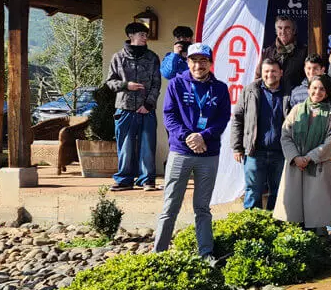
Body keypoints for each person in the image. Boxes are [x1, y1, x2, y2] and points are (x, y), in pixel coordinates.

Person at [155, 44, 231, 259]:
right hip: (181, 152)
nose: (199, 65)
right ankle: (158, 254)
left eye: (203, 60)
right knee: (170, 207)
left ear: (210, 63)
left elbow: (222, 119)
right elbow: (169, 116)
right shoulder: (176, 84)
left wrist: (203, 136)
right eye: (194, 60)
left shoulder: (220, 88)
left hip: (208, 154)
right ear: (188, 62)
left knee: (202, 208)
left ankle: (206, 254)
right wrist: (188, 136)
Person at [275, 74, 331, 250]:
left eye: (322, 88)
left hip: (319, 167)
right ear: (308, 89)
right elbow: (285, 135)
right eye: (314, 88)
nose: (317, 92)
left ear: (327, 91)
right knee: (298, 209)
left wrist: (309, 158)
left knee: (329, 208)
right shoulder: (297, 110)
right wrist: (295, 157)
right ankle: (305, 247)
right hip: (296, 167)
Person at [106, 21, 162, 192]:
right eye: (141, 34)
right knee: (125, 146)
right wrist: (126, 85)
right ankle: (124, 180)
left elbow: (156, 84)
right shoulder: (118, 57)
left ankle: (147, 181)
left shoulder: (152, 57)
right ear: (131, 36)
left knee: (147, 146)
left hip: (147, 109)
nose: (145, 37)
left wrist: (148, 104)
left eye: (145, 35)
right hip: (125, 109)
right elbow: (110, 82)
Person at [230, 58, 288, 210]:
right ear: (261, 73)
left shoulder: (289, 93)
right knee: (253, 192)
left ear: (281, 73)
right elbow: (237, 118)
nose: (270, 75)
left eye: (274, 71)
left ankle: (274, 226)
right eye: (266, 71)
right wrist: (237, 147)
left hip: (280, 152)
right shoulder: (250, 90)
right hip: (255, 152)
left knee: (278, 193)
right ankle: (251, 229)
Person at [256, 16, 308, 91]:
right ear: (276, 31)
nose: (283, 32)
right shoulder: (268, 52)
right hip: (272, 97)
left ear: (294, 31)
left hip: (294, 99)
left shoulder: (304, 52)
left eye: (287, 28)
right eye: (280, 28)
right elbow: (258, 76)